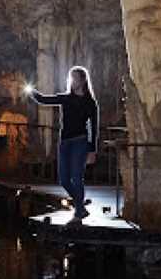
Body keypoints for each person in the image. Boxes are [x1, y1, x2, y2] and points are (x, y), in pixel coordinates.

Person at [28, 66, 99, 224]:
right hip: (65, 142)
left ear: (83, 80)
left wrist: (92, 150)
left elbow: (94, 127)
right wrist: (29, 90)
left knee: (76, 177)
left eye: (75, 78)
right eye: (70, 78)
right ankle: (80, 206)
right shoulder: (66, 98)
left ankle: (79, 211)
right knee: (64, 180)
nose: (72, 81)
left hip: (80, 142)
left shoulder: (90, 103)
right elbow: (43, 99)